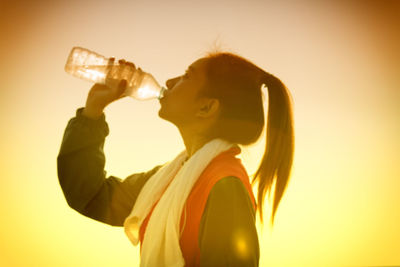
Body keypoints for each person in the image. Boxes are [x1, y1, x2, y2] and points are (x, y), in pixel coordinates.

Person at [57, 51, 295, 267]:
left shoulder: (225, 186)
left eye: (186, 76)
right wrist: (92, 111)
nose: (169, 82)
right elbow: (90, 194)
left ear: (206, 107)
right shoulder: (170, 179)